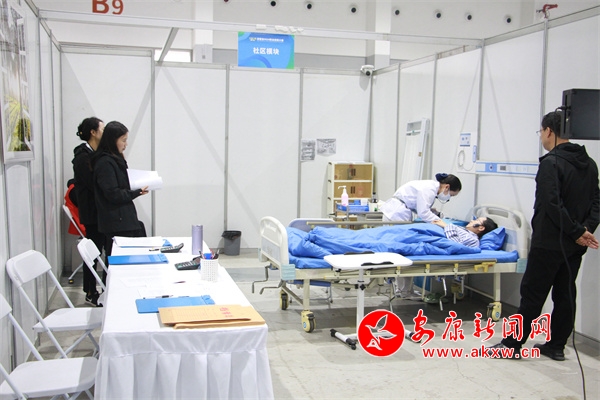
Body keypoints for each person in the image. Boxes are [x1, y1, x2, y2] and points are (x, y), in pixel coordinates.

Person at [487, 111, 599, 360]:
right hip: (574, 245)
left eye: (541, 132)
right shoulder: (589, 164)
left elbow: (552, 205)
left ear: (549, 131)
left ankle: (511, 345)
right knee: (565, 294)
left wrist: (577, 231)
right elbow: (596, 202)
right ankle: (556, 346)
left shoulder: (551, 163)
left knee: (532, 294)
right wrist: (583, 231)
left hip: (549, 242)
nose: (541, 137)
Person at [92, 121, 149, 263]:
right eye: (123, 140)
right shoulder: (105, 163)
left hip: (122, 219)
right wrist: (135, 192)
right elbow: (113, 193)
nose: (126, 144)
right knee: (117, 261)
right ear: (112, 140)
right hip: (116, 221)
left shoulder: (114, 159)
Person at [72, 117, 105, 306]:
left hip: (100, 211)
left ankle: (101, 288)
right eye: (102, 129)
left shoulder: (95, 153)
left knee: (100, 250)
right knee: (93, 252)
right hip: (92, 213)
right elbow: (93, 183)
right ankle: (90, 291)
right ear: (93, 132)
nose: (104, 133)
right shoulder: (82, 156)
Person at [380, 173, 462, 223]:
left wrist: (431, 212)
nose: (448, 198)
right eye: (451, 195)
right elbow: (423, 213)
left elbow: (419, 207)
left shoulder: (431, 188)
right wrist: (441, 223)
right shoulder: (429, 189)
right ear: (447, 187)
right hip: (397, 213)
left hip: (396, 211)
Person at [432, 217, 498, 248]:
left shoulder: (473, 240)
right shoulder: (464, 230)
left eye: (476, 220)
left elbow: (455, 245)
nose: (472, 220)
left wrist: (446, 226)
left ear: (481, 228)